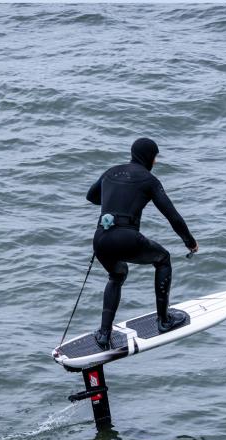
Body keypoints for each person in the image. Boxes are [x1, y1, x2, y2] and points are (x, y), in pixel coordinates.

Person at [86, 137, 199, 350]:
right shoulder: (149, 180)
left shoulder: (111, 172)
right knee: (163, 258)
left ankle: (104, 333)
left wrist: (114, 196)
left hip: (101, 238)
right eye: (155, 157)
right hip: (126, 237)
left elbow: (91, 196)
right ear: (148, 157)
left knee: (117, 275)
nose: (155, 161)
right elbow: (172, 216)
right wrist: (190, 242)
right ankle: (164, 320)